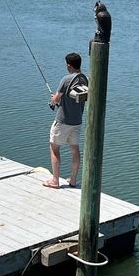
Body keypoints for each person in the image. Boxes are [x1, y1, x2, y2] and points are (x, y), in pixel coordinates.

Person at [44, 53, 85, 188]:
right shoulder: (85, 79)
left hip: (63, 121)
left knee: (54, 148)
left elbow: (56, 99)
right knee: (75, 149)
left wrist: (53, 99)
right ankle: (73, 180)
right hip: (77, 121)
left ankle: (55, 181)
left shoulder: (66, 79)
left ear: (68, 65)